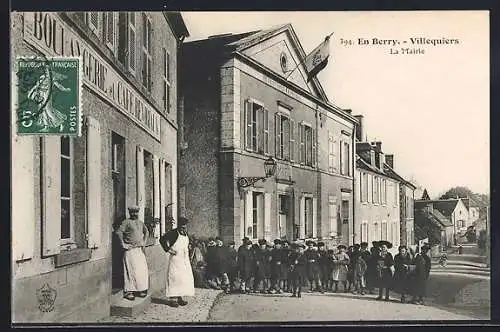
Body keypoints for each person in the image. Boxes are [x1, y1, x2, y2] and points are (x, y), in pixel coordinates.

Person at [115, 206, 150, 301]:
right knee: (130, 270)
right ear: (130, 213)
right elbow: (118, 232)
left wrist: (144, 242)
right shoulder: (126, 222)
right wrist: (123, 244)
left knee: (141, 270)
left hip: (139, 250)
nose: (134, 214)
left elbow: (146, 231)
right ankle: (129, 291)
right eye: (132, 212)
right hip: (130, 250)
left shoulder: (140, 222)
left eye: (136, 212)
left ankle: (140, 289)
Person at [159, 217, 195, 307]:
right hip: (175, 259)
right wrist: (168, 250)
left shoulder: (185, 233)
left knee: (182, 278)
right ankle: (172, 299)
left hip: (184, 259)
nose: (184, 229)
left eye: (185, 227)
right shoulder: (173, 233)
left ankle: (179, 298)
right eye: (182, 227)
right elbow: (162, 239)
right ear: (178, 226)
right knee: (174, 278)